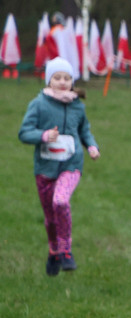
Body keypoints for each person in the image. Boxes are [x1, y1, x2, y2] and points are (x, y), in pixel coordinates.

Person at [18, 57, 99, 275]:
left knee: (61, 201)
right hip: (44, 169)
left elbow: (84, 130)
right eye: (57, 77)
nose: (63, 82)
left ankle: (66, 250)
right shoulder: (39, 104)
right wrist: (44, 135)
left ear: (72, 81)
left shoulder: (77, 106)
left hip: (71, 165)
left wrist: (91, 146)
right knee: (50, 217)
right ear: (48, 80)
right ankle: (53, 251)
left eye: (67, 78)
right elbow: (24, 132)